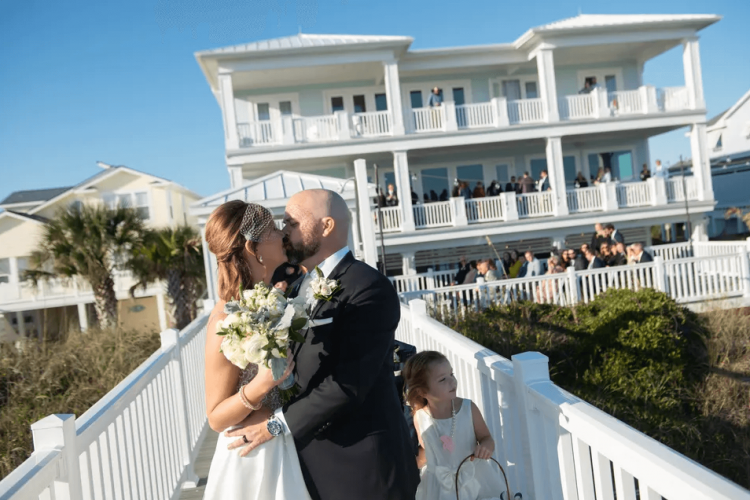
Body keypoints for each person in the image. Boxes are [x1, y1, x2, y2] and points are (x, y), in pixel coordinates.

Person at [225, 190, 420, 500]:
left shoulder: (368, 287)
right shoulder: (292, 287)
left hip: (363, 467)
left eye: (291, 223)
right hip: (306, 465)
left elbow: (349, 383)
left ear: (326, 226)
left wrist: (274, 426)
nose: (284, 232)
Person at [202, 201, 311, 500]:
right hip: (253, 457)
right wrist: (261, 384)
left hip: (288, 440)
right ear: (254, 247)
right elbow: (215, 417)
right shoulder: (226, 318)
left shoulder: (285, 293)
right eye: (274, 229)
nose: (283, 234)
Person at [403, 351, 502, 500]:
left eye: (452, 374)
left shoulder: (468, 409)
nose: (452, 381)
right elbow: (426, 449)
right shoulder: (420, 417)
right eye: (443, 379)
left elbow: (486, 437)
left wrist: (486, 447)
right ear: (422, 391)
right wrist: (410, 466)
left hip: (474, 477)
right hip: (439, 485)